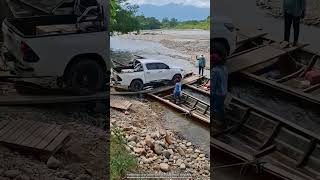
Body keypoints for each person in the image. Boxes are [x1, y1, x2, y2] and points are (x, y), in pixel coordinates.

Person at [211, 48, 228, 129]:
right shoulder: (224, 67)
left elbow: (213, 86)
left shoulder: (215, 71)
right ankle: (224, 123)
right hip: (224, 92)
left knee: (214, 108)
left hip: (218, 93)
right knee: (220, 108)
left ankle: (213, 124)